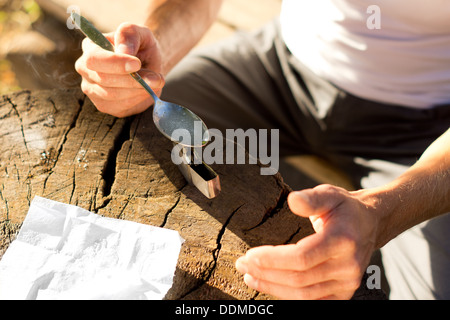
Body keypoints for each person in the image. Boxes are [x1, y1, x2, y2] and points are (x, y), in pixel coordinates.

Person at [74, 0, 450, 300]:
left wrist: (381, 213)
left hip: (427, 130)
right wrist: (149, 59)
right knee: (126, 133)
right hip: (280, 65)